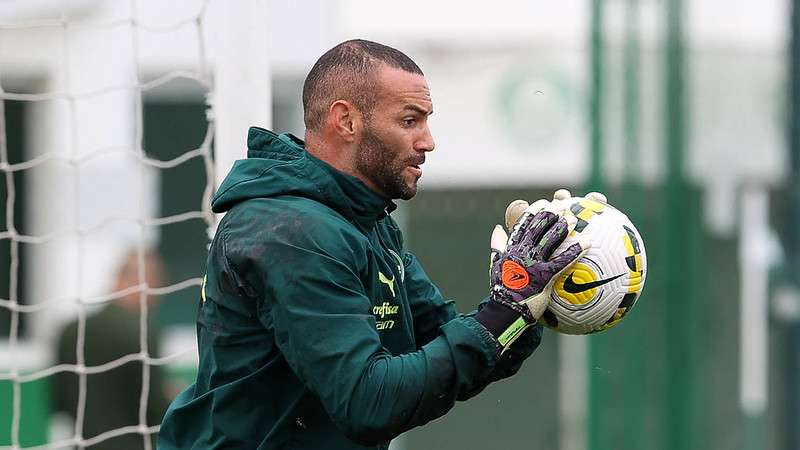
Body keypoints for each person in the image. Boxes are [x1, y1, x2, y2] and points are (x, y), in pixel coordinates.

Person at [158, 39, 591, 450]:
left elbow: (452, 344)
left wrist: (530, 294)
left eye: (426, 120)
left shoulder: (366, 221)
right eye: (409, 120)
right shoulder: (291, 232)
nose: (428, 141)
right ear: (346, 120)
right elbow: (369, 401)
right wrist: (506, 313)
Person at [54, 250, 171, 450]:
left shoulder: (71, 331)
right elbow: (154, 407)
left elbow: (60, 401)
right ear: (148, 282)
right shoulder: (142, 333)